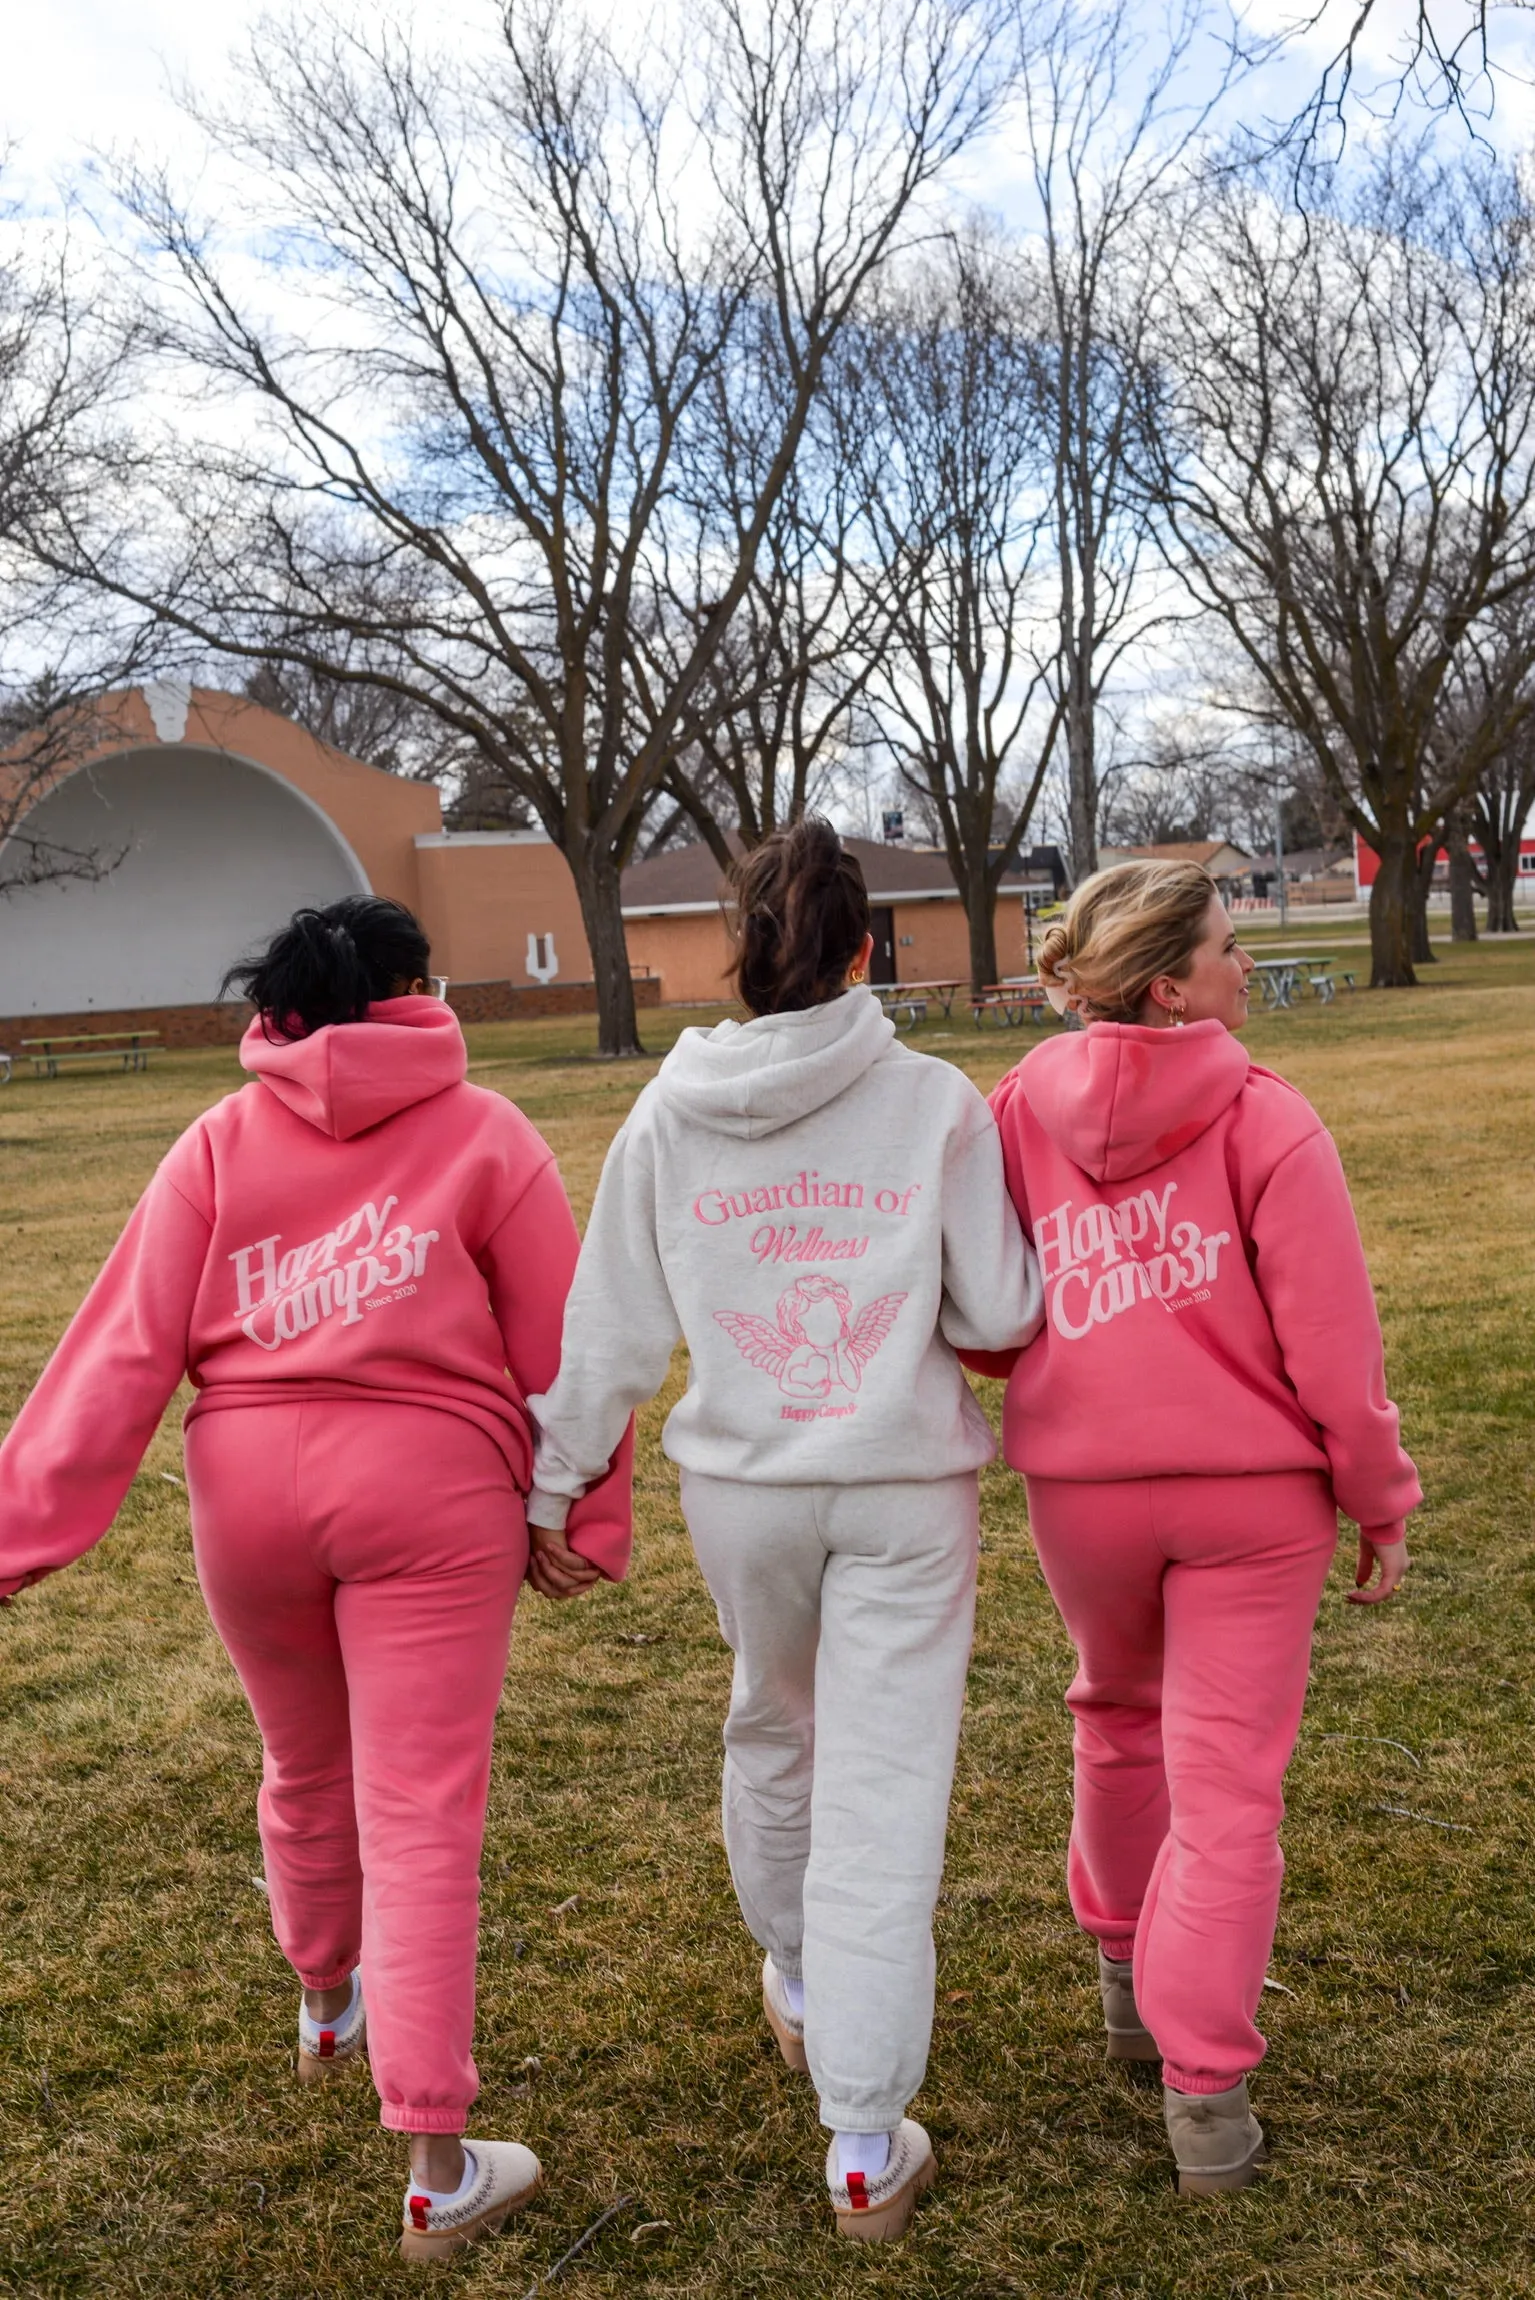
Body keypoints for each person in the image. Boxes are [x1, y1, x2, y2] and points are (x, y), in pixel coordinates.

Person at [0, 897, 631, 2265]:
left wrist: (15, 1532)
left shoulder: (217, 1140)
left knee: (302, 1765)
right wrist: (582, 1515)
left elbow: (117, 1356)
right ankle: (435, 2162)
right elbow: (564, 1356)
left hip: (249, 1494)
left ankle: (325, 2005)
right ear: (414, 990)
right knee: (419, 1809)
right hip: (432, 1497)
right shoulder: (488, 1134)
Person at [522, 818, 1042, 2242]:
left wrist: (551, 1482)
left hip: (742, 1490)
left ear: (736, 961)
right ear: (869, 948)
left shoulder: (667, 1113)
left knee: (774, 1723)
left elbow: (609, 1328)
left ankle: (805, 1983)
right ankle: (862, 2134)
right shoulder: (935, 1101)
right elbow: (1000, 1312)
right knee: (881, 1788)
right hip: (896, 1487)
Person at [976, 859, 1419, 2197]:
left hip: (1082, 1490)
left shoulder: (1009, 1117)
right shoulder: (1271, 1121)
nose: (1244, 967)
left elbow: (988, 1317)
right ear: (1170, 984)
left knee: (1115, 1717)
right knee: (1226, 1790)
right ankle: (1206, 2100)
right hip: (1248, 1503)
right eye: (1229, 947)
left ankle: (1125, 1983)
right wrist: (1376, 1495)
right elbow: (1332, 1352)